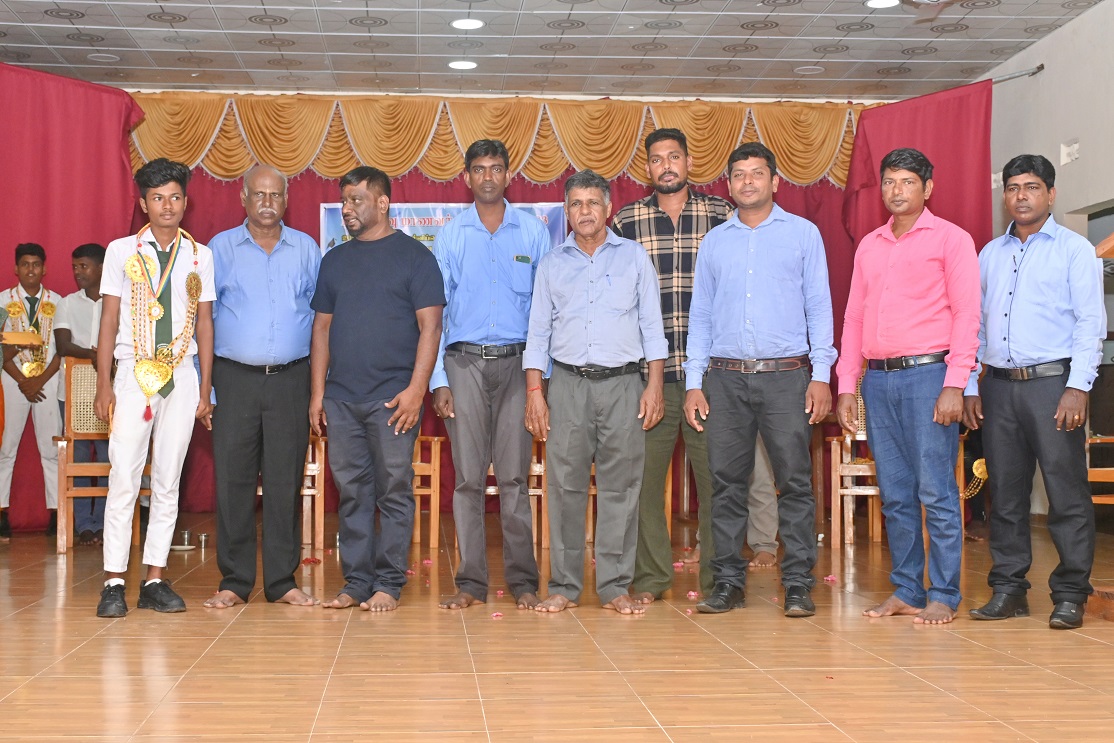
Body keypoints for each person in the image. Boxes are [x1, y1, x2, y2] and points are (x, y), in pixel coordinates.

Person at [612, 127, 782, 602]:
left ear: (689, 163)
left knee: (719, 484)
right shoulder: (626, 220)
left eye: (674, 157)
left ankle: (718, 581)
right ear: (647, 168)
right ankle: (651, 578)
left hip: (713, 377)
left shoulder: (722, 214)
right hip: (648, 378)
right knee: (643, 485)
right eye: (656, 159)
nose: (666, 165)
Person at [684, 142, 834, 618]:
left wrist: (822, 375)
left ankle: (798, 584)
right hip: (725, 379)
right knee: (726, 484)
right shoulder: (715, 242)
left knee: (794, 482)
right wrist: (693, 382)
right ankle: (728, 582)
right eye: (739, 174)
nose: (747, 181)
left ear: (774, 181)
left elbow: (820, 307)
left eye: (757, 173)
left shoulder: (803, 234)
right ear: (728, 183)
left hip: (786, 378)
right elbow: (701, 315)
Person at [835, 147, 980, 625]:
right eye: (889, 181)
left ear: (928, 188)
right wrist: (846, 383)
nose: (896, 191)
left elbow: (967, 314)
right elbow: (854, 317)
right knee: (895, 494)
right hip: (877, 382)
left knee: (935, 490)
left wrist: (956, 383)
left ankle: (944, 594)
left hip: (929, 377)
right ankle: (907, 590)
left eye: (907, 182)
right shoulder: (870, 245)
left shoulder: (952, 239)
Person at [964, 154, 1105, 630]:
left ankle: (1070, 594)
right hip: (999, 388)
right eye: (1012, 188)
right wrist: (971, 384)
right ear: (1004, 195)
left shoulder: (1074, 250)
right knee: (1005, 494)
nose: (1021, 196)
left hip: (1053, 386)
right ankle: (1008, 589)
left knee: (1066, 493)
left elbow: (1090, 322)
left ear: (1050, 193)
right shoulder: (989, 254)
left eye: (1031, 187)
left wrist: (1077, 387)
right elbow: (976, 325)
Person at [524, 169, 668, 615]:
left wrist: (655, 386)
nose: (584, 211)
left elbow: (653, 327)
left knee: (621, 487)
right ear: (566, 212)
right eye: (576, 204)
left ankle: (614, 586)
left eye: (592, 203)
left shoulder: (634, 258)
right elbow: (537, 333)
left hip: (624, 385)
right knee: (563, 486)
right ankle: (563, 587)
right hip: (567, 386)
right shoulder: (551, 264)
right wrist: (535, 391)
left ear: (608, 208)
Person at [309, 166, 444, 613]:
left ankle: (388, 583)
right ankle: (356, 582)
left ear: (383, 203)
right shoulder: (334, 261)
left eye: (356, 200)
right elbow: (321, 330)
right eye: (344, 201)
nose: (347, 209)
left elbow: (431, 327)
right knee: (352, 492)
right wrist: (317, 394)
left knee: (393, 491)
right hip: (341, 399)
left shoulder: (415, 257)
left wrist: (417, 390)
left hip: (394, 400)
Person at [94, 158, 216, 618]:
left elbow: (205, 324)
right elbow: (108, 320)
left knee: (168, 480)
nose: (168, 206)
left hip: (181, 375)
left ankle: (155, 579)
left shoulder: (201, 256)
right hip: (133, 374)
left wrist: (205, 389)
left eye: (175, 197)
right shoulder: (121, 251)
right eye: (158, 198)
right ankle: (113, 581)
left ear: (186, 201)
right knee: (123, 477)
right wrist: (104, 383)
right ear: (143, 203)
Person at [431, 140, 549, 611]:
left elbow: (545, 311)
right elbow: (434, 314)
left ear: (508, 175)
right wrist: (438, 379)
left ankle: (523, 582)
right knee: (467, 479)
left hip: (519, 367)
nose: (487, 177)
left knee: (515, 478)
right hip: (463, 365)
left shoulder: (533, 232)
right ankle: (470, 583)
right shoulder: (451, 235)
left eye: (496, 168)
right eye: (478, 169)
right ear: (467, 177)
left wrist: (541, 380)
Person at [203, 164, 322, 609]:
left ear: (286, 200)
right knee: (232, 481)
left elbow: (321, 321)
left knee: (284, 480)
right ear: (244, 198)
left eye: (275, 195)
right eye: (259, 194)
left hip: (291, 380)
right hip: (233, 379)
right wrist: (205, 388)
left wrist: (318, 387)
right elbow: (203, 322)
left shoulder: (307, 249)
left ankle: (281, 581)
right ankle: (234, 581)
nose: (267, 203)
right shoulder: (219, 249)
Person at [0, 243, 63, 540]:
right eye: (25, 264)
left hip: (47, 380)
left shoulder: (57, 302)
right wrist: (23, 380)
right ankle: (1, 512)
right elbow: (1, 350)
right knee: (5, 446)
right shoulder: (3, 301)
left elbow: (61, 349)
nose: (30, 269)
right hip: (11, 379)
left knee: (51, 448)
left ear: (44, 268)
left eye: (36, 264)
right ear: (16, 268)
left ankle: (57, 513)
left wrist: (39, 381)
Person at [54, 242, 108, 545]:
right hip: (73, 393)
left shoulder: (117, 300)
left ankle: (104, 523)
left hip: (108, 391)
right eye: (75, 267)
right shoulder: (67, 303)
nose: (78, 272)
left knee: (108, 458)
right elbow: (63, 345)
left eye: (84, 266)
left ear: (101, 268)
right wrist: (94, 355)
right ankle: (84, 525)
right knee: (78, 458)